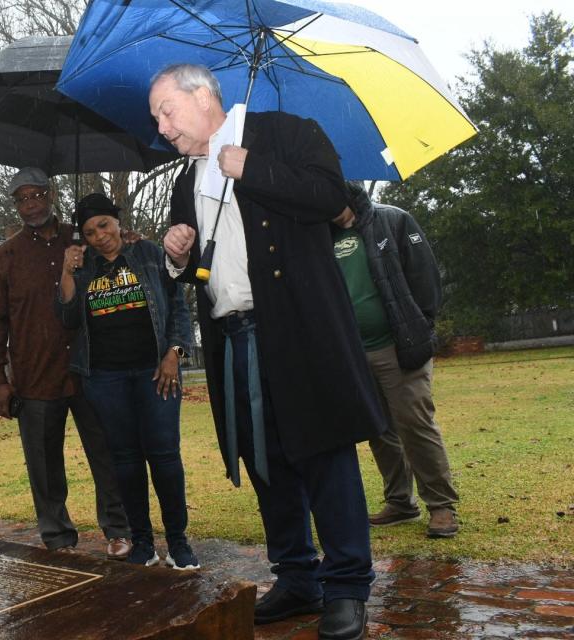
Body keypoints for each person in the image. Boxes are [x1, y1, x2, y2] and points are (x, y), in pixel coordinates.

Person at [152, 63, 385, 640]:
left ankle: (348, 585)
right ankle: (298, 577)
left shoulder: (288, 133)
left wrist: (253, 168)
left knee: (324, 454)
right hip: (232, 338)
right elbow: (203, 264)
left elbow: (334, 199)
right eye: (157, 116)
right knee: (267, 462)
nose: (160, 127)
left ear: (203, 96)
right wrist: (178, 253)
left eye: (166, 111)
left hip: (299, 331)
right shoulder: (188, 179)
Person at [0, 167, 132, 558]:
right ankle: (58, 537)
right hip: (34, 376)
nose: (31, 205)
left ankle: (119, 530)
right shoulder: (5, 258)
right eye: (22, 199)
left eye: (37, 195)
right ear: (15, 205)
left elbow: (122, 253)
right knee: (44, 465)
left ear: (51, 196)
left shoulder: (81, 238)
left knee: (107, 453)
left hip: (89, 370)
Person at [55, 192, 197, 569]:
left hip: (156, 374)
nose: (100, 235)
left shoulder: (149, 254)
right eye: (89, 231)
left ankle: (179, 542)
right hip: (105, 378)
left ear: (118, 222)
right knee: (126, 461)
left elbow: (178, 307)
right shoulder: (83, 267)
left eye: (104, 225)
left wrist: (174, 353)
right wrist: (67, 272)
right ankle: (143, 543)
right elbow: (67, 317)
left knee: (165, 456)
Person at [332, 181, 459, 538]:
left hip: (397, 345)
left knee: (414, 423)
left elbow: (426, 277)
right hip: (355, 351)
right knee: (379, 429)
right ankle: (400, 502)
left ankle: (441, 506)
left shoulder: (392, 221)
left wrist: (420, 328)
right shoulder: (321, 237)